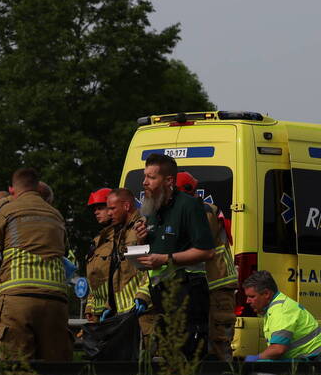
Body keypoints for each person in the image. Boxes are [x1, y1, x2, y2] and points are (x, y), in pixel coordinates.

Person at [0, 167, 72, 361]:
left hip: (18, 298)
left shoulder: (5, 211)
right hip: (55, 300)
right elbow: (65, 252)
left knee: (16, 370)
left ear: (12, 190)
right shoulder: (56, 215)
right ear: (37, 187)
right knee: (55, 370)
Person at [134, 154, 214, 357]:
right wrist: (142, 241)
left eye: (151, 177)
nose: (144, 182)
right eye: (144, 176)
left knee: (188, 355)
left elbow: (207, 251)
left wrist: (166, 259)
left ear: (169, 180)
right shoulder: (152, 209)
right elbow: (155, 252)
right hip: (161, 294)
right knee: (167, 355)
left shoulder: (189, 205)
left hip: (188, 292)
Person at [174, 171, 238, 360]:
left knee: (219, 340)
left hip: (218, 283)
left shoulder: (205, 211)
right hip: (202, 284)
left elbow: (197, 241)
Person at [242, 270, 321, 361]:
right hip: (312, 359)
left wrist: (256, 358)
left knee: (261, 365)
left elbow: (278, 349)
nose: (247, 301)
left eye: (252, 296)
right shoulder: (276, 307)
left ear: (266, 294)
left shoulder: (281, 311)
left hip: (316, 362)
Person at [100, 187, 149, 320]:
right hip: (122, 312)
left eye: (112, 208)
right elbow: (116, 272)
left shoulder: (141, 227)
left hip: (141, 311)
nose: (109, 213)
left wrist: (143, 296)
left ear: (126, 206)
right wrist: (109, 305)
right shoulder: (120, 232)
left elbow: (148, 268)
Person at [83, 187, 114, 321]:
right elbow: (93, 280)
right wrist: (89, 309)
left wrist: (111, 305)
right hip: (96, 314)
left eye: (100, 208)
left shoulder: (120, 239)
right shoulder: (97, 242)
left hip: (113, 310)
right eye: (94, 209)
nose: (96, 212)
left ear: (112, 208)